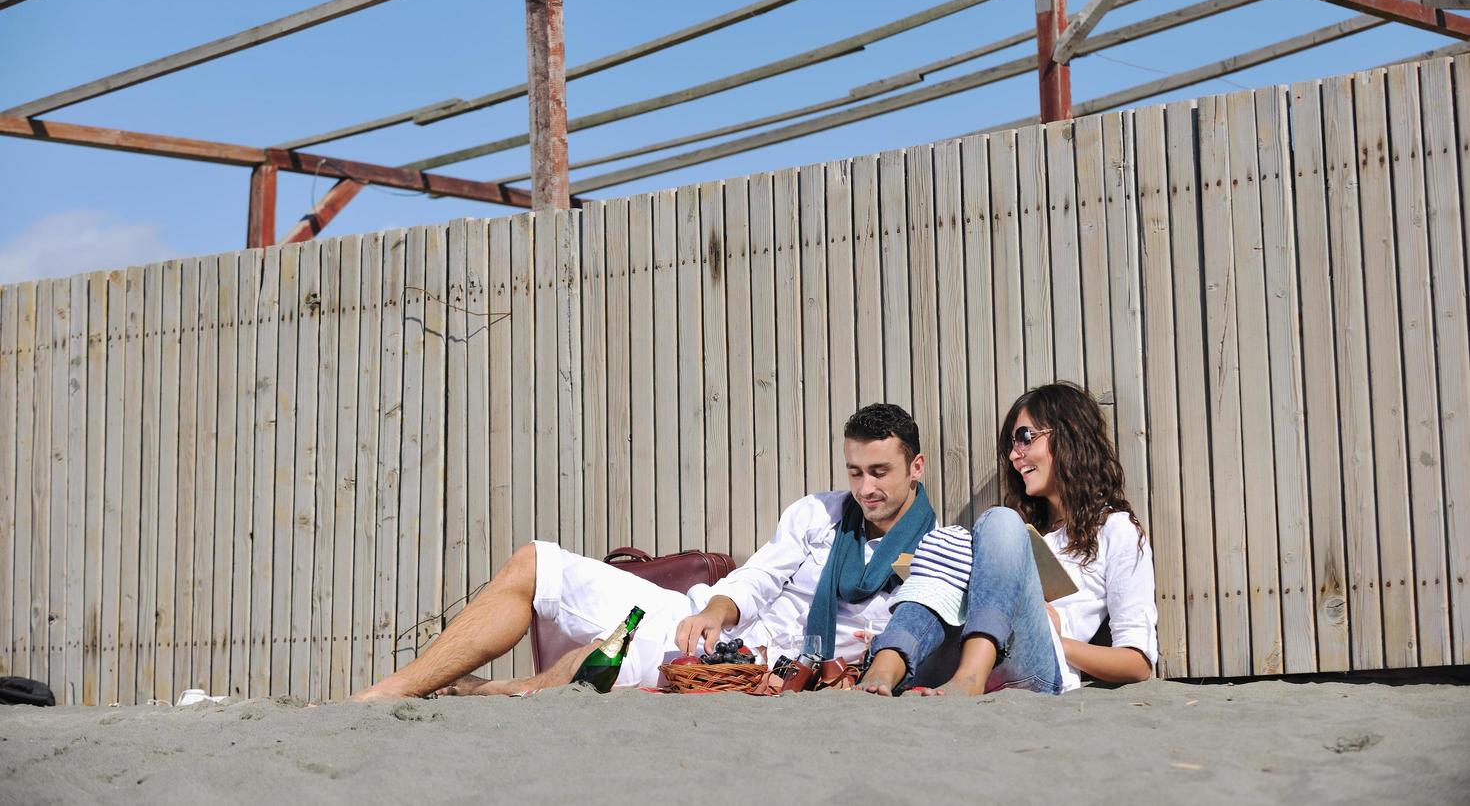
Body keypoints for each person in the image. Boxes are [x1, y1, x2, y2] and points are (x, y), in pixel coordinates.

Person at [353, 403, 936, 699]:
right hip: (699, 624)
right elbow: (758, 578)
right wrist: (713, 611)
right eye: (855, 471)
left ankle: (494, 690)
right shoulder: (821, 513)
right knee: (535, 563)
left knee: (582, 678)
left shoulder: (940, 551)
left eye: (880, 472)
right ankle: (385, 694)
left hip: (747, 671)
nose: (866, 489)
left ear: (916, 467)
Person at [859, 382, 1156, 697]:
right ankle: (884, 669)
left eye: (1025, 438)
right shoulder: (1026, 530)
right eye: (1012, 444)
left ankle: (968, 678)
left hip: (1037, 668)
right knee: (951, 541)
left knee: (999, 520)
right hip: (964, 653)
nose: (1015, 455)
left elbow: (1137, 663)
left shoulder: (1115, 529)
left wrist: (1054, 636)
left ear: (1069, 436)